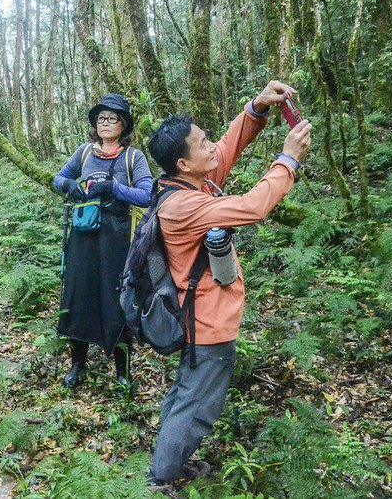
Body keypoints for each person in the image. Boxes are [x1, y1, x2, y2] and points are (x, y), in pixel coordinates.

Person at [146, 81, 312, 490]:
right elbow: (253, 206)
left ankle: (171, 464)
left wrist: (256, 109)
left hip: (200, 317)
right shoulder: (186, 204)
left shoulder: (186, 182)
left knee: (188, 394)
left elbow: (226, 147)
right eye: (201, 143)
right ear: (183, 163)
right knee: (196, 406)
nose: (210, 148)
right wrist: (287, 160)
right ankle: (161, 482)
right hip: (207, 322)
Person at [53, 93, 153, 392]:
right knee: (78, 296)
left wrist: (115, 188)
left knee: (116, 299)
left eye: (112, 118)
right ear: (94, 125)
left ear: (123, 125)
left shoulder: (133, 157)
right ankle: (77, 364)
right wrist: (69, 185)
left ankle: (122, 370)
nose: (106, 123)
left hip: (116, 236)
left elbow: (147, 194)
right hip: (83, 235)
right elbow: (59, 178)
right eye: (101, 119)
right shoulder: (84, 152)